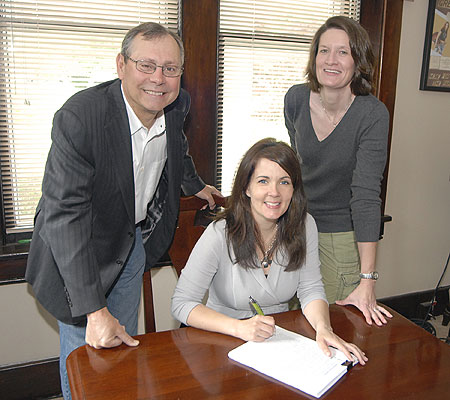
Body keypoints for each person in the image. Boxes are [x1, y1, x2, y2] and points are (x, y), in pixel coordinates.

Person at [25, 22, 221, 400]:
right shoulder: (81, 118)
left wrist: (195, 185)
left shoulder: (176, 103)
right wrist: (95, 312)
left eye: (170, 68)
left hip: (130, 243)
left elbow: (176, 147)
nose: (158, 79)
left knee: (122, 347)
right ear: (121, 65)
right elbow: (65, 217)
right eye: (146, 65)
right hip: (79, 251)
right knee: (86, 354)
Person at [171, 138, 368, 365]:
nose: (274, 192)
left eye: (284, 182)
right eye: (263, 181)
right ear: (247, 187)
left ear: (294, 189)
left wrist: (324, 328)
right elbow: (182, 303)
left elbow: (311, 289)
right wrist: (239, 328)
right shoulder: (220, 232)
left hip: (281, 340)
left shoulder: (305, 226)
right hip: (222, 341)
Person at [284, 16, 392, 327]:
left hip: (341, 236)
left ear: (358, 62)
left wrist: (368, 280)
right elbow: (296, 167)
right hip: (297, 230)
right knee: (294, 326)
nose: (331, 60)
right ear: (314, 56)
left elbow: (367, 194)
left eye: (343, 52)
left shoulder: (372, 114)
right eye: (324, 50)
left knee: (337, 329)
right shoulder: (295, 100)